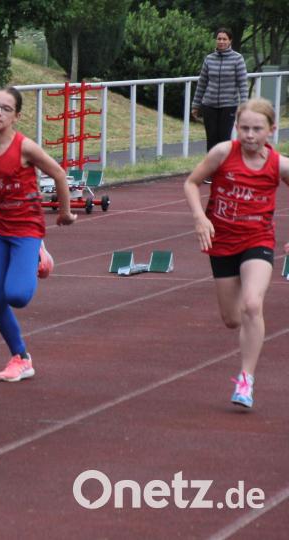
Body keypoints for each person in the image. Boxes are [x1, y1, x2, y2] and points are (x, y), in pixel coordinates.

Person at [0, 87, 76, 382]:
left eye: (6, 109)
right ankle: (21, 357)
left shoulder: (26, 148)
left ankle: (38, 253)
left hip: (26, 227)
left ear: (16, 117)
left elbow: (59, 174)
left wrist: (64, 213)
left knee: (17, 296)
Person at [182, 98, 289, 409]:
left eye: (257, 129)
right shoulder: (222, 153)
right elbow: (191, 183)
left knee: (252, 305)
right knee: (231, 319)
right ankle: (248, 327)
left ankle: (246, 379)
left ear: (271, 130)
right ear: (236, 128)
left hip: (258, 239)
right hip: (223, 241)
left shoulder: (280, 164)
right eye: (244, 128)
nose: (250, 135)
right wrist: (200, 218)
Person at [191, 27, 248, 159]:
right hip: (209, 105)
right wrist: (195, 105)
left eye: (224, 39)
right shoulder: (209, 59)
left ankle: (224, 166)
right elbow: (202, 83)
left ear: (230, 41)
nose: (221, 41)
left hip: (228, 105)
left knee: (224, 138)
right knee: (211, 138)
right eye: (219, 39)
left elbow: (243, 84)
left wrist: (244, 106)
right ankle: (211, 167)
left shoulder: (237, 59)